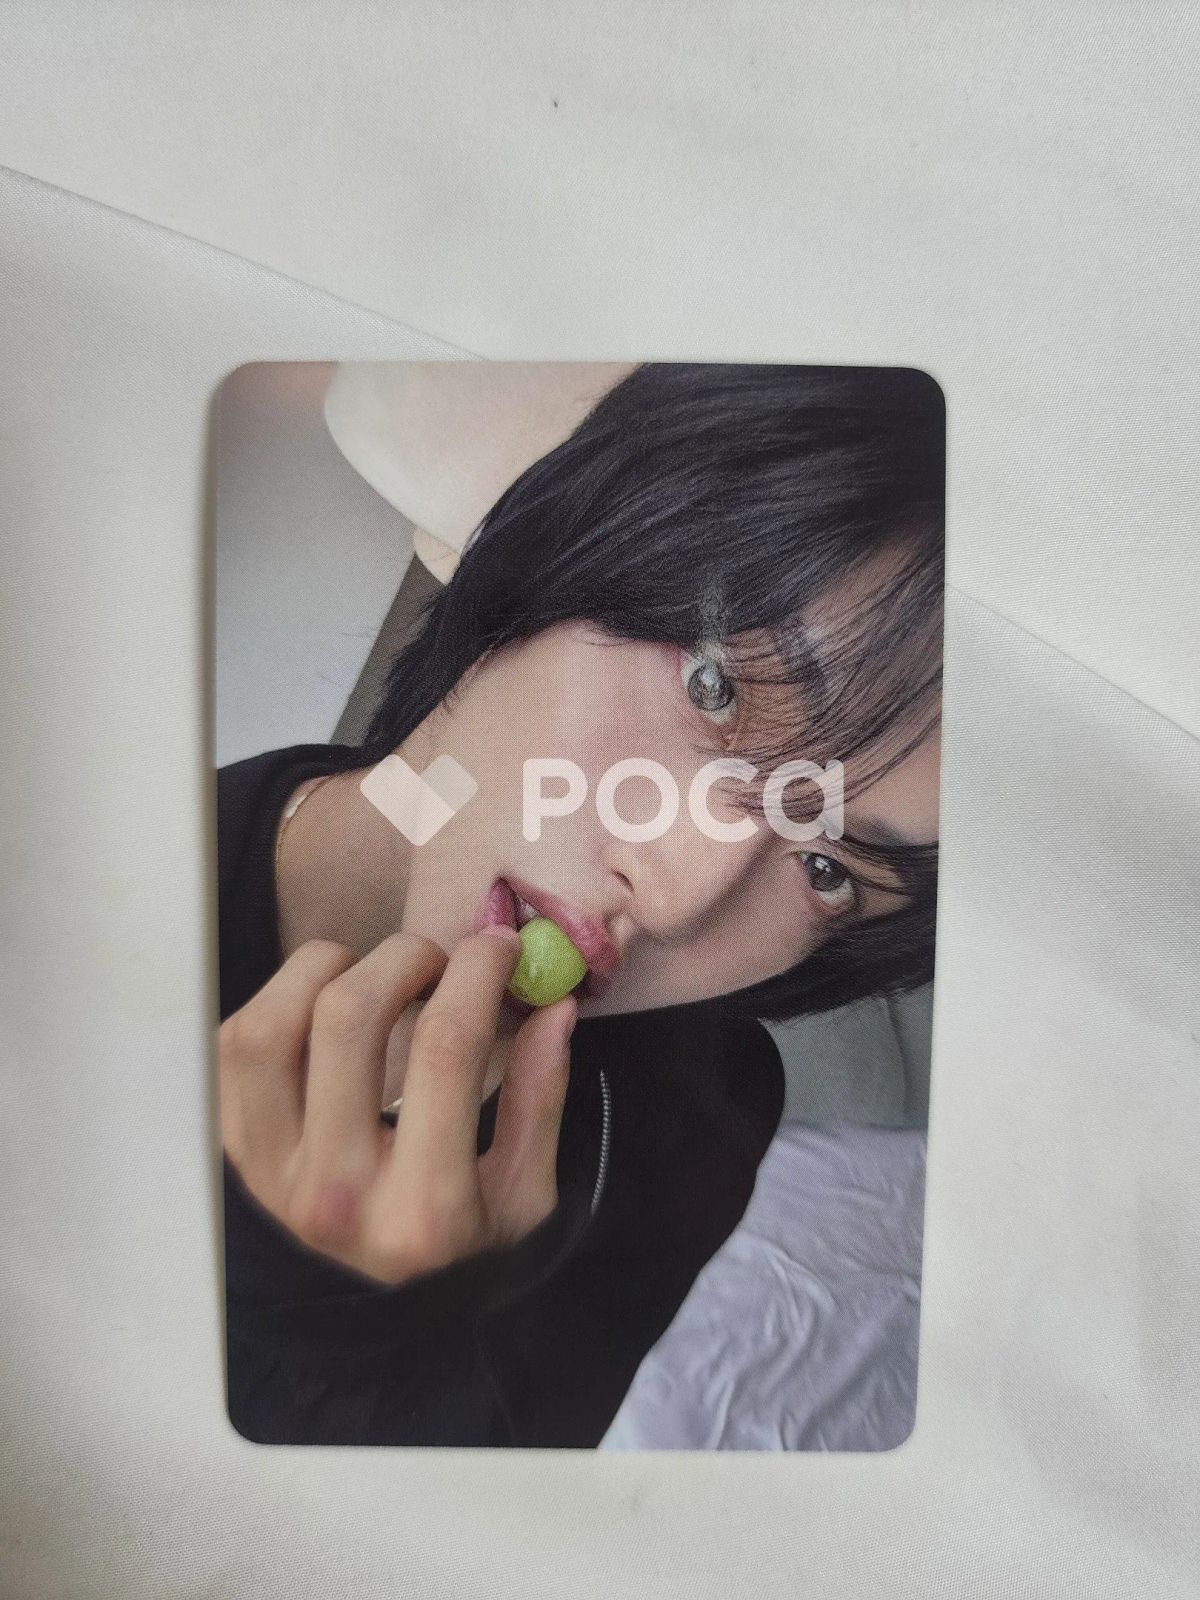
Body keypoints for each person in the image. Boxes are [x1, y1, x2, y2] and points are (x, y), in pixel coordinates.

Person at [217, 362, 944, 1446]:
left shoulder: (709, 1112)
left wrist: (403, 1329)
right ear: (577, 533)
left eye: (829, 867)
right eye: (716, 687)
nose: (680, 898)